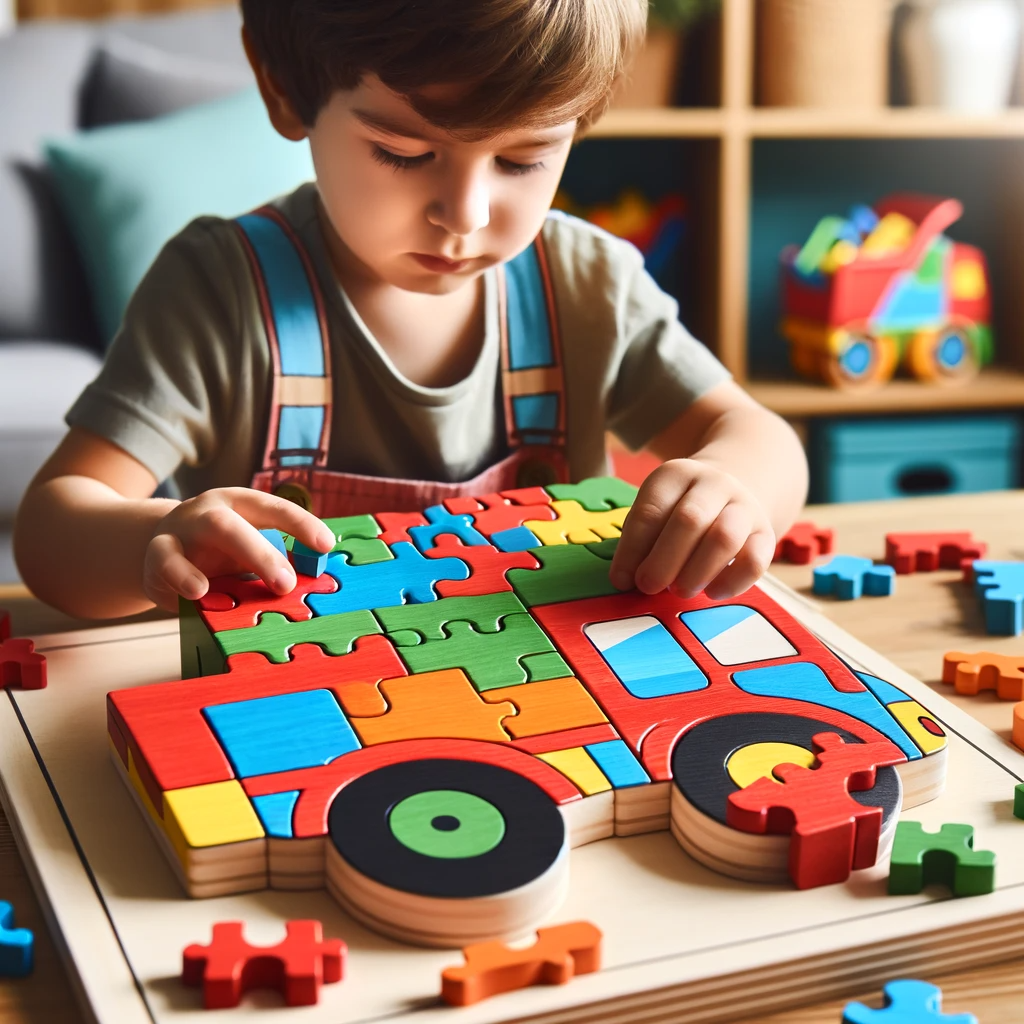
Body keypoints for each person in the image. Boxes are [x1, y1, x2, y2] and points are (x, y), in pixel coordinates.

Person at [13, 0, 807, 622]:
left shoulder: (586, 280)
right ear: (284, 89)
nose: (464, 213)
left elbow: (760, 437)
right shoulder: (219, 291)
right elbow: (52, 532)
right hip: (295, 724)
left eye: (523, 159)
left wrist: (733, 487)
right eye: (403, 153)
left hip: (561, 705)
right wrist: (154, 539)